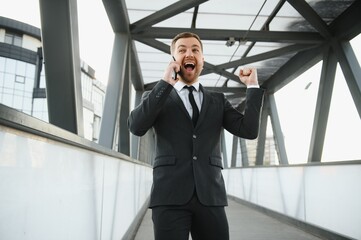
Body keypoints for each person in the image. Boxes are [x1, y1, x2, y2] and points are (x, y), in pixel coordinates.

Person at [128, 32, 264, 240]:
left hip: (210, 195)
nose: (189, 53)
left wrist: (252, 86)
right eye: (181, 50)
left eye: (195, 50)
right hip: (169, 196)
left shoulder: (218, 101)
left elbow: (249, 130)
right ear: (173, 60)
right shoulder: (156, 97)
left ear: (202, 60)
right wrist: (165, 83)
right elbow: (136, 127)